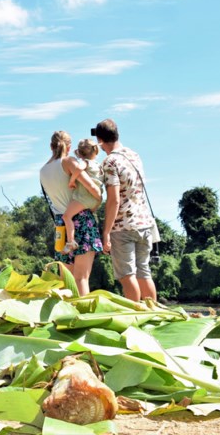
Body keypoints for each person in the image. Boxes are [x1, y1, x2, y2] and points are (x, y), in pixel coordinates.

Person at [94, 118, 157, 302]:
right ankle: (155, 315)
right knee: (143, 272)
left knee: (126, 275)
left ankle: (135, 317)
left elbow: (113, 200)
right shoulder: (134, 155)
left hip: (123, 226)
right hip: (144, 223)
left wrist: (106, 232)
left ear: (100, 140)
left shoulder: (109, 162)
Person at [40, 131, 103, 296]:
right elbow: (93, 188)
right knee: (81, 278)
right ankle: (83, 317)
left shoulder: (43, 171)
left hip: (62, 225)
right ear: (68, 147)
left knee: (65, 280)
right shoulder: (69, 162)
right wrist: (99, 198)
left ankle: (66, 316)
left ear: (51, 146)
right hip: (81, 220)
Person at [60, 138, 104, 253]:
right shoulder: (99, 166)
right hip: (95, 200)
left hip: (84, 198)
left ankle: (71, 242)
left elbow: (78, 168)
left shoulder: (86, 163)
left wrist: (72, 180)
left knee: (66, 216)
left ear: (79, 153)